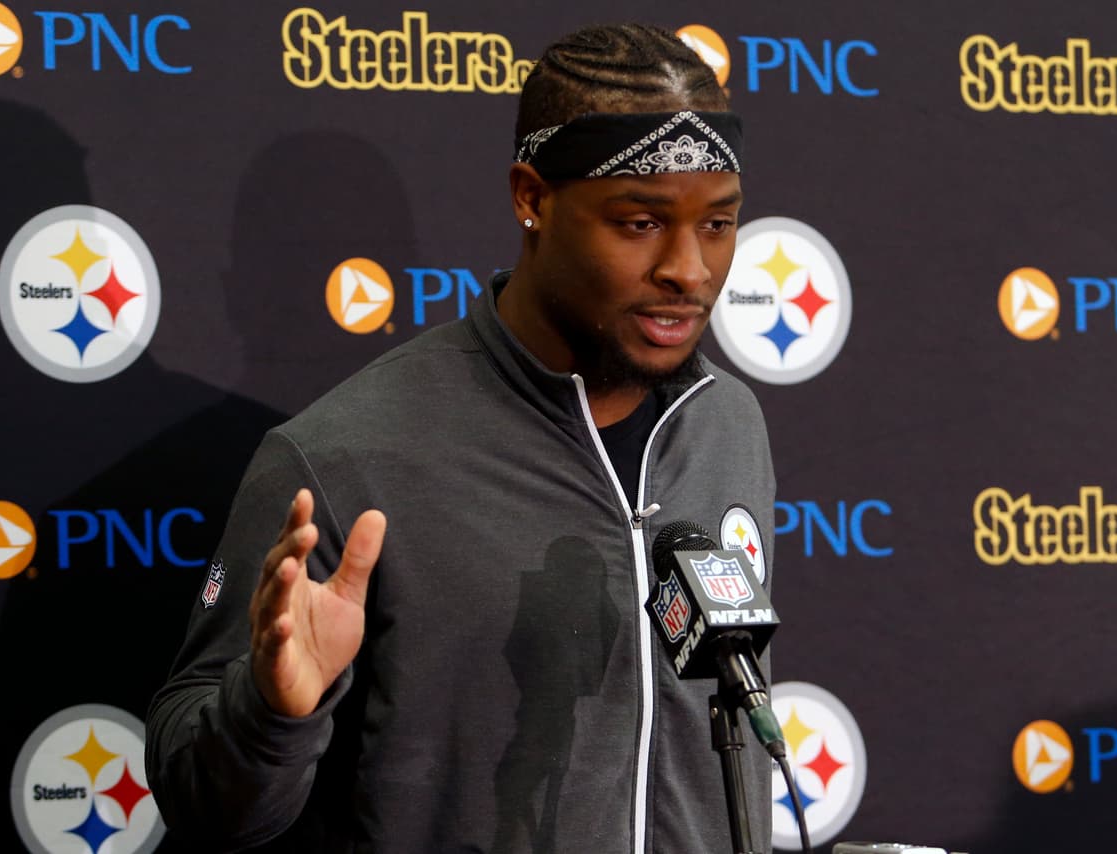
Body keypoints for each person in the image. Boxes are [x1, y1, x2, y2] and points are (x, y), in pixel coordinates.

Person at [145, 22, 777, 853]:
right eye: (638, 223)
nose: (689, 269)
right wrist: (270, 713)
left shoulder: (727, 420)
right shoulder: (342, 459)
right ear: (533, 199)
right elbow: (203, 807)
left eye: (719, 225)